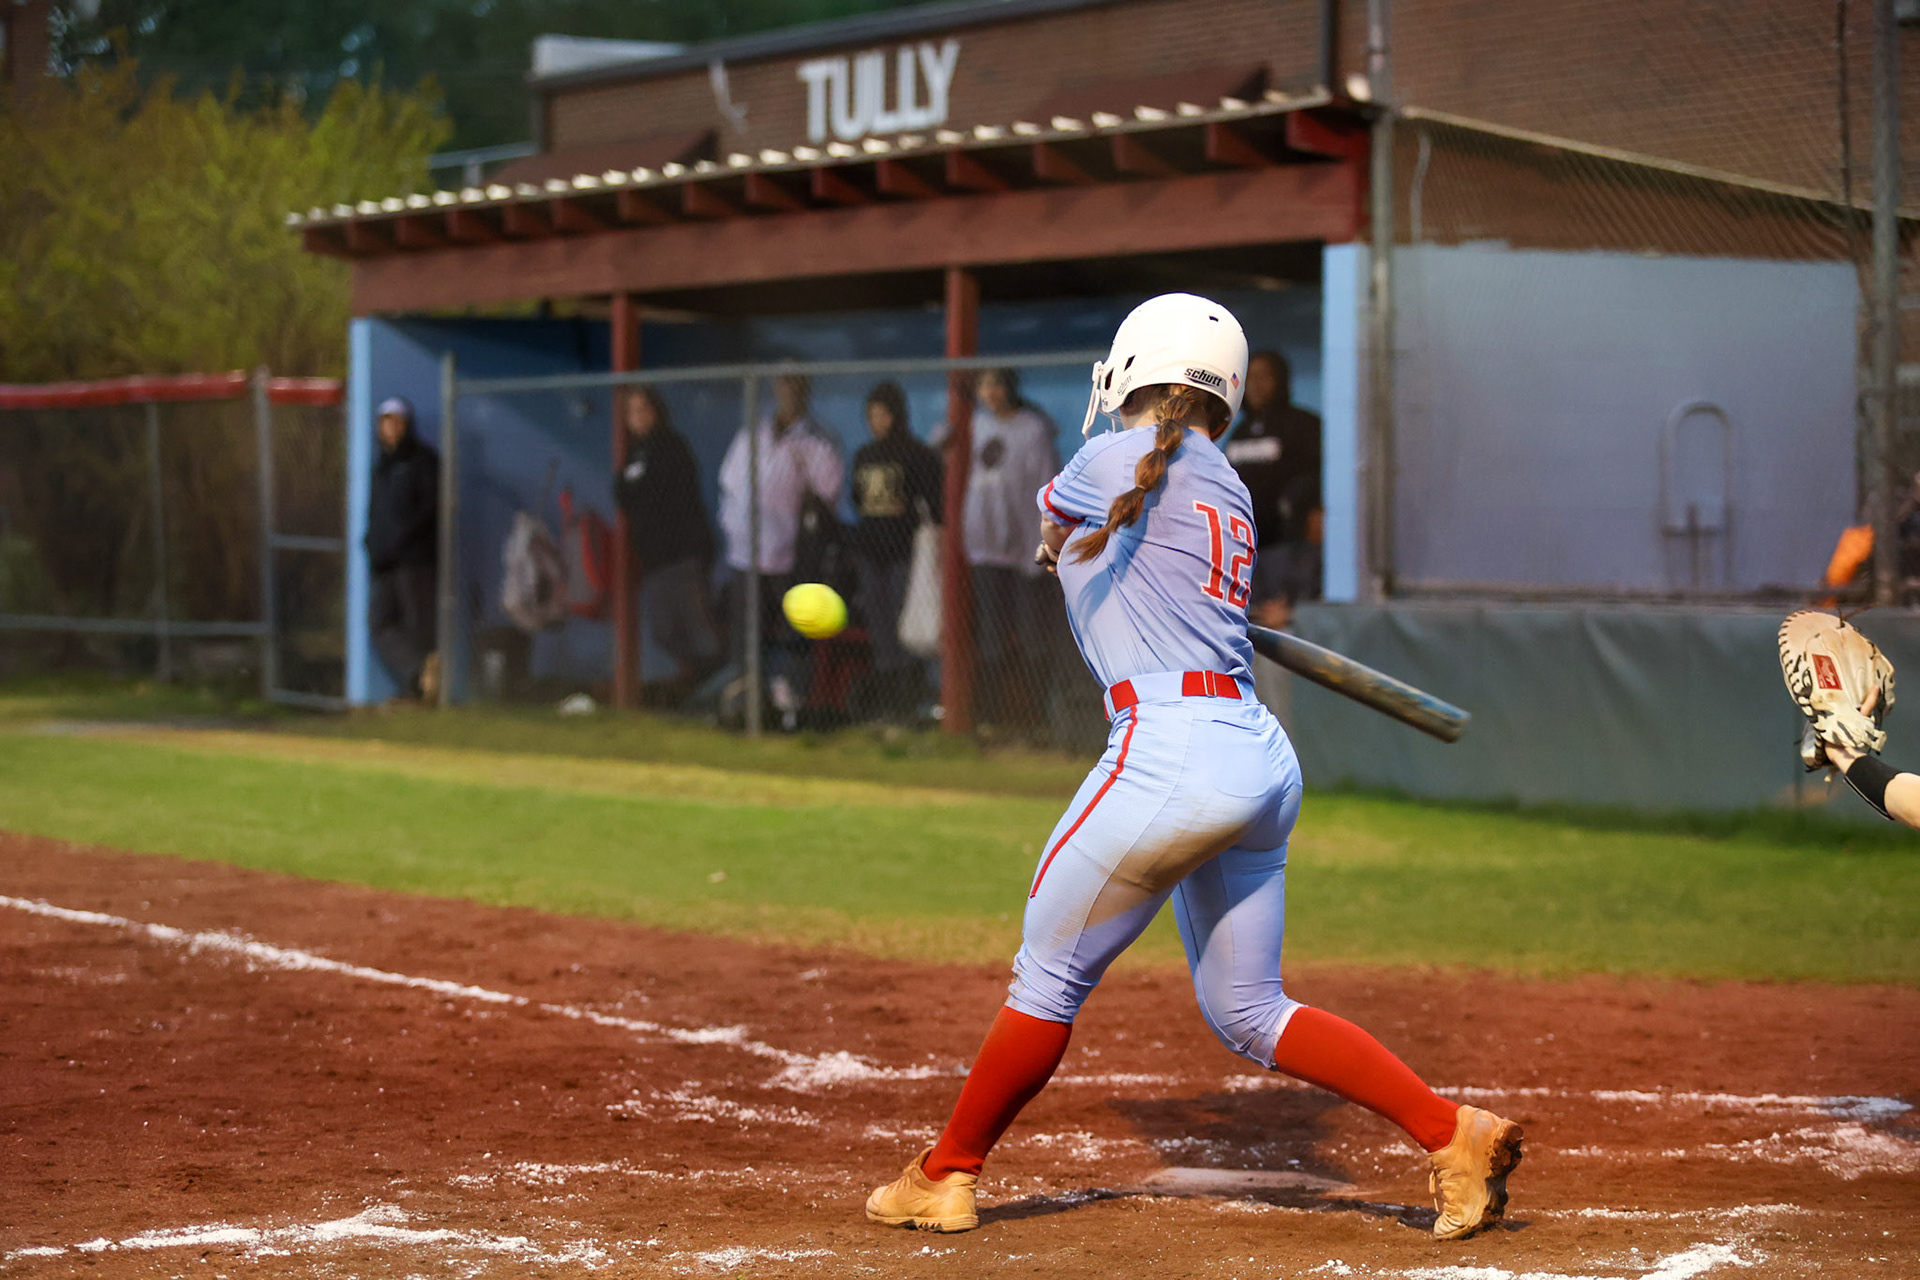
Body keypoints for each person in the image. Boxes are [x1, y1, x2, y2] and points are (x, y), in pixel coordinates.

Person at [866, 295, 1522, 1242]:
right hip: (1255, 755)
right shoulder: (1228, 484)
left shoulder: (1104, 458)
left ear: (1132, 369)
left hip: (1169, 747)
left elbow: (1050, 534)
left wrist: (1065, 553)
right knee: (1249, 1007)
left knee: (1046, 976)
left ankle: (946, 1172)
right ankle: (1452, 1133)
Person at [715, 373, 845, 725]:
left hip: (791, 558)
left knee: (795, 633)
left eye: (795, 386)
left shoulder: (816, 440)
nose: (787, 392)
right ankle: (746, 705)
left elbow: (830, 491)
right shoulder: (751, 436)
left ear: (805, 392)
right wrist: (731, 524)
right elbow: (728, 484)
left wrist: (804, 465)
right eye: (782, 385)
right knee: (747, 635)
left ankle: (792, 707)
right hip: (746, 555)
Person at [961, 368, 1061, 733]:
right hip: (986, 547)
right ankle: (989, 720)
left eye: (995, 384)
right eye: (983, 385)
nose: (989, 392)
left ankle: (1035, 722)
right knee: (990, 635)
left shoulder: (1032, 429)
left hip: (1026, 546)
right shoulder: (976, 426)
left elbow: (1045, 487)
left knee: (1031, 634)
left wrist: (1042, 544)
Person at [612, 386, 722, 694]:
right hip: (654, 559)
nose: (638, 416)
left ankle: (718, 686)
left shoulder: (671, 446)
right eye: (631, 411)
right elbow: (623, 493)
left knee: (698, 628)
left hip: (684, 553)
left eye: (643, 408)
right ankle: (700, 679)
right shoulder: (635, 453)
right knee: (663, 629)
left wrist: (641, 494)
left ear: (657, 410)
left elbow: (663, 494)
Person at [849, 381, 942, 714]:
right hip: (871, 551)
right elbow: (856, 498)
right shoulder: (865, 455)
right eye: (872, 415)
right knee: (880, 623)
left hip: (905, 553)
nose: (877, 422)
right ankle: (888, 694)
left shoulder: (916, 454)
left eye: (883, 414)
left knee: (907, 624)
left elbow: (933, 504)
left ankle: (913, 692)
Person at [1224, 350, 1323, 627]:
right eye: (1250, 377)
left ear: (1280, 380)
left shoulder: (1303, 425)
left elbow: (1321, 478)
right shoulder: (1239, 432)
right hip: (1247, 551)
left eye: (1264, 376)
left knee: (1282, 625)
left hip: (1289, 551)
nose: (1256, 385)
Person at [364, 396, 440, 700]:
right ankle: (418, 676)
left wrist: (405, 538)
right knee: (380, 624)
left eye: (396, 421)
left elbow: (431, 509)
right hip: (385, 562)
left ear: (407, 425)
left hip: (414, 560)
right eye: (385, 421)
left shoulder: (422, 462)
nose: (390, 427)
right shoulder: (382, 465)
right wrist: (370, 542)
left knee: (417, 625)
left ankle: (423, 690)